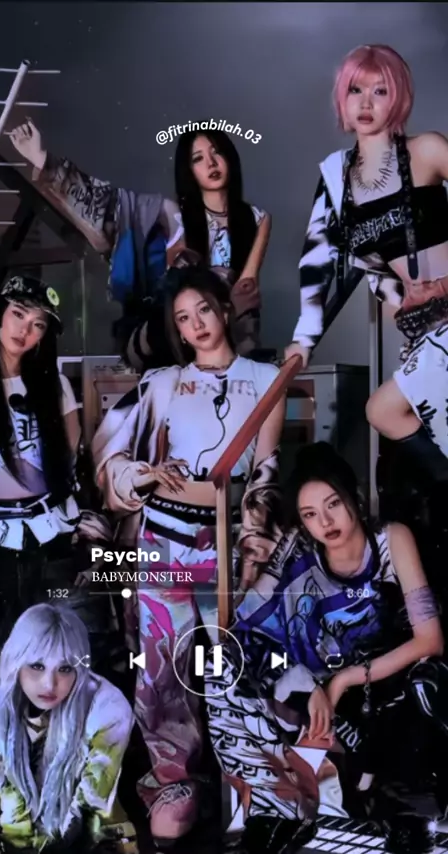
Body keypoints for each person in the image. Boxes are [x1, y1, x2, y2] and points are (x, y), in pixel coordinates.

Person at [91, 263, 285, 846]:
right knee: (160, 670)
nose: (196, 324)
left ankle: (249, 781)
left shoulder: (266, 377)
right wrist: (143, 473)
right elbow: (106, 451)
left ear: (224, 309)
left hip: (226, 542)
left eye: (203, 309)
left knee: (237, 664)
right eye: (182, 318)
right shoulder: (161, 383)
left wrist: (254, 540)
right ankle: (173, 782)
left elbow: (266, 472)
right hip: (162, 540)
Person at [205, 443, 447, 854]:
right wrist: (305, 683)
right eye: (310, 514)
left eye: (333, 504)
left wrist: (343, 681)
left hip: (386, 684)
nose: (325, 522)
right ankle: (277, 810)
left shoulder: (390, 539)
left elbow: (430, 639)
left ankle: (396, 807)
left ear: (354, 496)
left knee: (426, 686)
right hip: (316, 684)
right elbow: (247, 626)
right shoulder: (298, 548)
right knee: (221, 666)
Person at [0, 275, 105, 837]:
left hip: (52, 542)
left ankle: (62, 802)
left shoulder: (56, 386)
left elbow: (70, 465)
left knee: (61, 669)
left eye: (39, 323)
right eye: (18, 315)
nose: (26, 329)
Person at [284, 44, 448, 481]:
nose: (366, 103)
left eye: (380, 91)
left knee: (383, 410)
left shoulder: (427, 150)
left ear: (399, 97)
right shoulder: (337, 179)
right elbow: (317, 262)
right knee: (386, 417)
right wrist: (303, 340)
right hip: (422, 332)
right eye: (356, 90)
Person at [8, 120, 185, 372]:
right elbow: (104, 205)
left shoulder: (232, 229)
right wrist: (40, 158)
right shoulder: (157, 217)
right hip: (157, 348)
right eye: (196, 160)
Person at [0, 603, 137, 853]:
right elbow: (10, 799)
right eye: (37, 666)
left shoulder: (109, 708)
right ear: (15, 661)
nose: (49, 684)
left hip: (95, 836)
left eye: (64, 669)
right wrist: (22, 845)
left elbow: (90, 803)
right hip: (26, 837)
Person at [173, 127, 272, 355]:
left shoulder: (258, 218)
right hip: (193, 323)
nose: (211, 163)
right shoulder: (177, 218)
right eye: (198, 158)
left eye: (217, 152)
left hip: (238, 316)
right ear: (188, 170)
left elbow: (247, 283)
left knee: (246, 299)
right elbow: (178, 287)